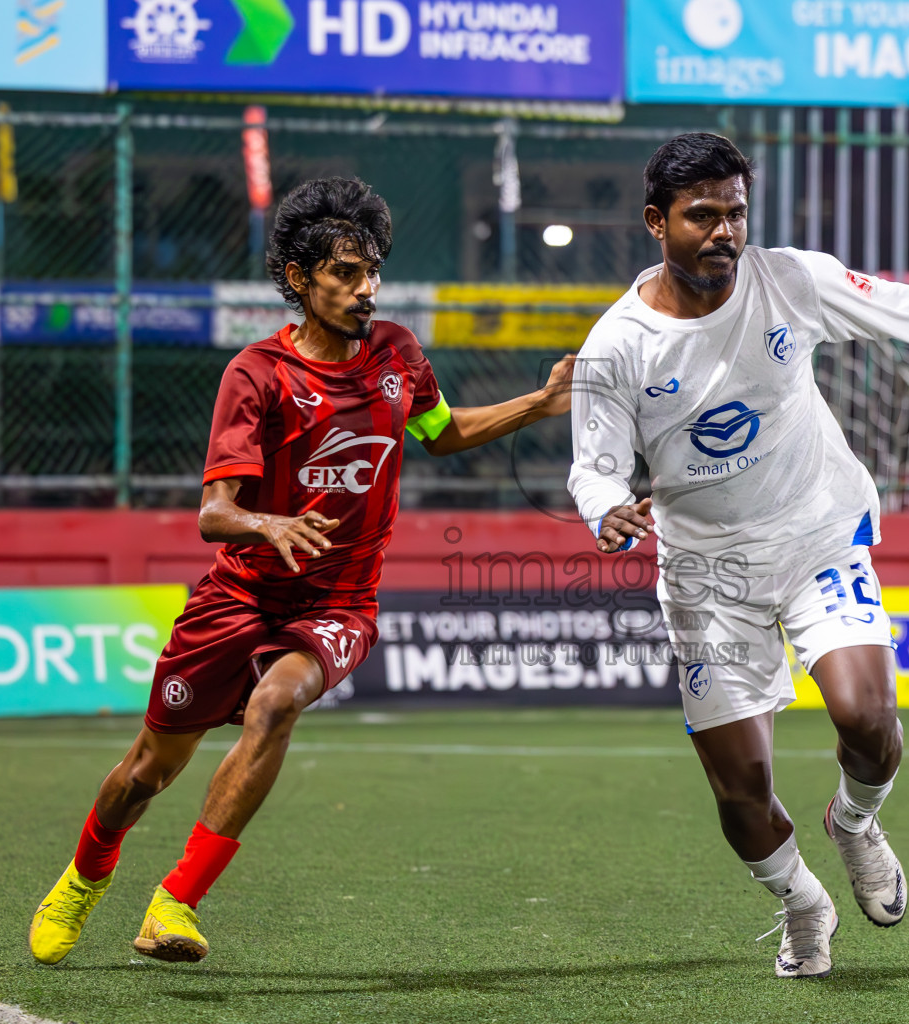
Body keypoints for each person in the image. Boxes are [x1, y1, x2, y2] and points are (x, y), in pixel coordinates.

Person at [29, 176, 574, 965]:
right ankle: (83, 879)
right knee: (148, 770)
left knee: (279, 702)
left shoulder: (397, 355)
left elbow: (442, 430)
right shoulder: (257, 375)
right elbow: (214, 513)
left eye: (372, 272)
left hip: (340, 600)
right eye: (345, 275)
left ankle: (174, 902)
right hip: (240, 593)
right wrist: (266, 522)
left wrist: (538, 403)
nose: (366, 290)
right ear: (299, 280)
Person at [567, 133, 909, 979]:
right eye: (703, 216)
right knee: (741, 794)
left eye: (736, 213)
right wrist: (607, 508)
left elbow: (901, 306)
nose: (725, 232)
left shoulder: (787, 280)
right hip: (706, 575)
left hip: (815, 532)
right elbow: (595, 463)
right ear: (657, 222)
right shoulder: (618, 345)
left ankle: (856, 824)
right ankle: (802, 902)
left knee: (868, 720)